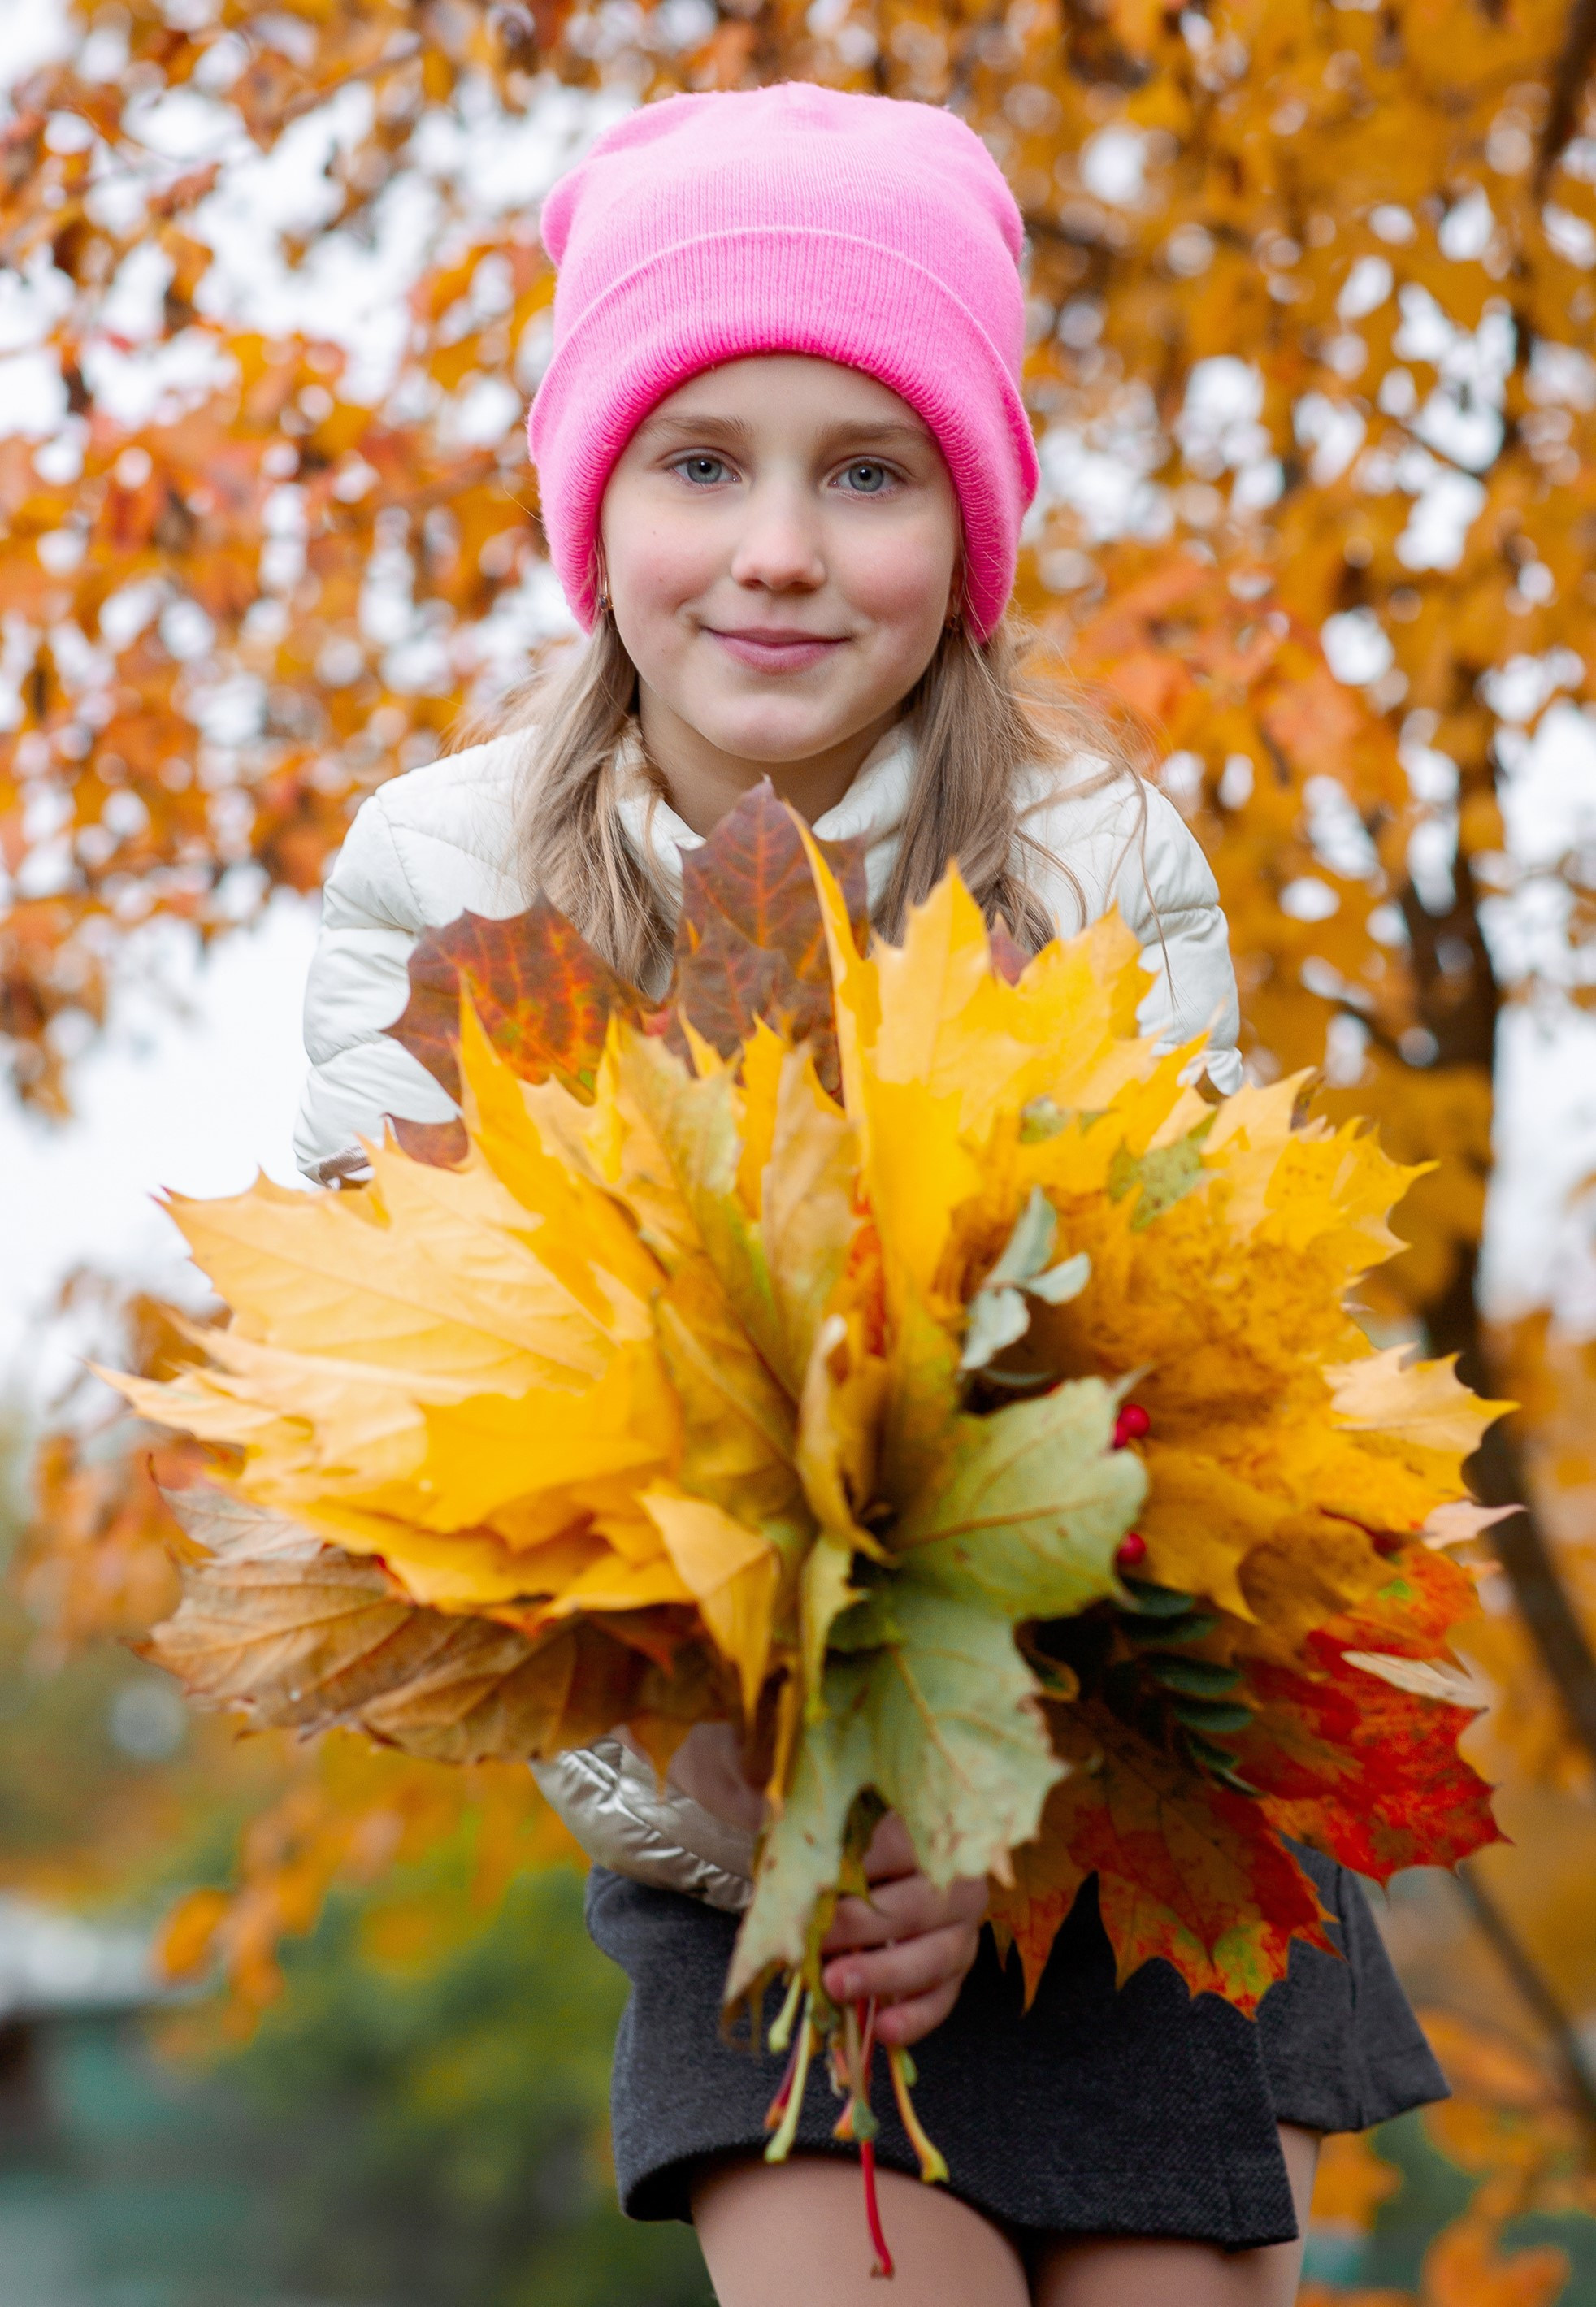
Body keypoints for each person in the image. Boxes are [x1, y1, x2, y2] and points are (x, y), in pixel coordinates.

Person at [293, 84, 1445, 2307]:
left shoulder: (1090, 861)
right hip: (741, 1835)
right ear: (591, 496)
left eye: (869, 470)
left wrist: (993, 1811)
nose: (782, 551)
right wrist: (783, 1832)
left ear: (970, 514)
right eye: (701, 460)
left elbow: (1184, 1383)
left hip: (1101, 1789)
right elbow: (445, 1470)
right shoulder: (447, 880)